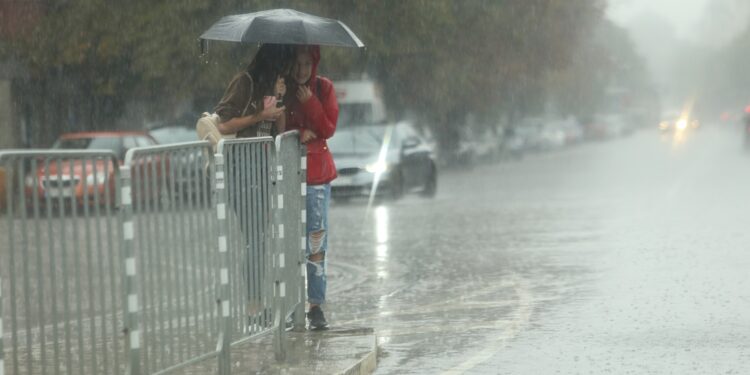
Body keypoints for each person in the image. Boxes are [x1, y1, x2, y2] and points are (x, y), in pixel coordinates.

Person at [214, 44, 294, 328]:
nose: (283, 77)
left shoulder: (270, 93)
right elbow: (223, 124)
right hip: (240, 170)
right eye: (281, 72)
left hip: (261, 171)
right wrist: (260, 115)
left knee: (258, 239)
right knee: (255, 239)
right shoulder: (244, 83)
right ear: (270, 67)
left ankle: (256, 305)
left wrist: (279, 104)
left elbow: (280, 134)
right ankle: (252, 308)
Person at [284, 45, 339, 330]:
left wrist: (310, 104)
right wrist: (297, 132)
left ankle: (315, 305)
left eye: (307, 64)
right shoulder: (283, 88)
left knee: (316, 243)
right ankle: (290, 306)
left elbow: (328, 127)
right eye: (297, 63)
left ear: (314, 63)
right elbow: (278, 128)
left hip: (317, 178)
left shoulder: (324, 88)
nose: (302, 70)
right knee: (289, 243)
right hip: (288, 176)